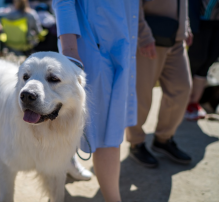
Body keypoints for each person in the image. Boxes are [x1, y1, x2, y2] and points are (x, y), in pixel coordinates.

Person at [52, 0, 139, 201]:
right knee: (103, 132)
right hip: (91, 48)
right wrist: (70, 52)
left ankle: (67, 161)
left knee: (106, 129)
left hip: (122, 46)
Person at [125, 0, 192, 168]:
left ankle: (163, 139)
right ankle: (136, 143)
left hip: (175, 38)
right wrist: (143, 34)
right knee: (142, 94)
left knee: (182, 88)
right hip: (150, 37)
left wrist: (185, 26)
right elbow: (132, 4)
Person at [185, 0, 219, 120]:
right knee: (196, 60)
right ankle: (184, 103)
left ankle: (194, 103)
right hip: (200, 20)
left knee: (208, 62)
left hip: (216, 22)